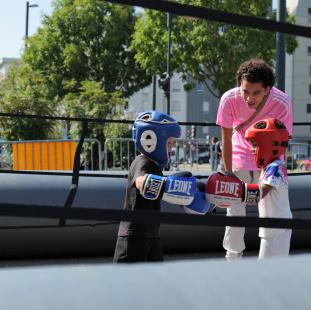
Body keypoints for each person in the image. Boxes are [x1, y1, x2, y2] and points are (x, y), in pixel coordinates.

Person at [216, 59, 293, 260]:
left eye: (256, 92)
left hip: (267, 162)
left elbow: (283, 141)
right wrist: (228, 174)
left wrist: (274, 173)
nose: (249, 98)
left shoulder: (283, 101)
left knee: (269, 212)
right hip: (239, 159)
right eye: (245, 91)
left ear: (267, 89)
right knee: (234, 213)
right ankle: (232, 259)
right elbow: (226, 141)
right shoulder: (228, 99)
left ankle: (268, 263)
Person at [113, 111, 209, 263]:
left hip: (151, 235)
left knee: (156, 282)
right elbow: (141, 182)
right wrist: (170, 185)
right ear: (151, 140)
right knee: (128, 284)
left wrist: (191, 192)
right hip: (133, 236)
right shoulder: (142, 161)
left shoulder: (155, 167)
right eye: (169, 143)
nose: (171, 149)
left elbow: (162, 190)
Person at [206, 118, 292, 259]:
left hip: (277, 229)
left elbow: (260, 193)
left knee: (269, 273)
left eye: (255, 145)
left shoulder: (275, 168)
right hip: (273, 228)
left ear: (269, 144)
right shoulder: (270, 167)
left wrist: (232, 191)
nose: (251, 150)